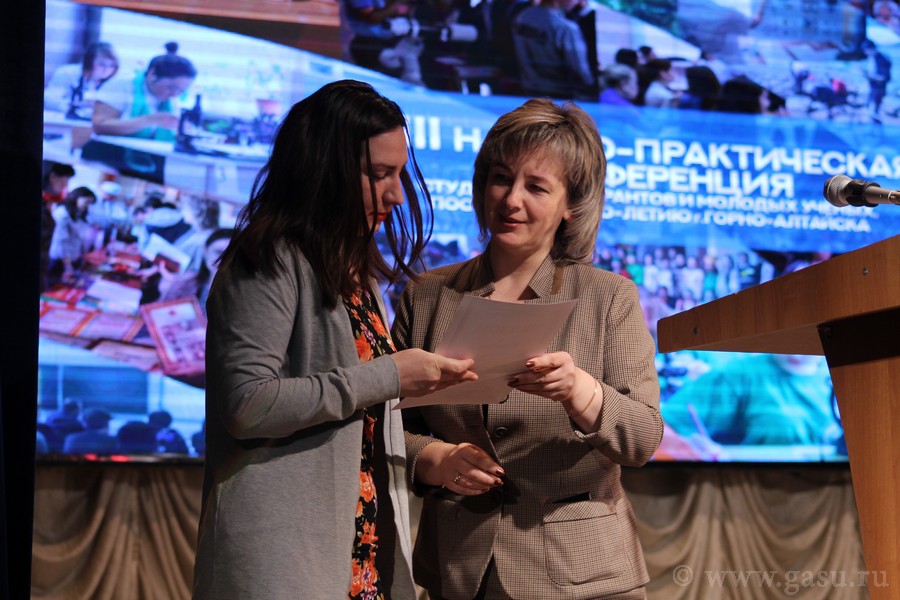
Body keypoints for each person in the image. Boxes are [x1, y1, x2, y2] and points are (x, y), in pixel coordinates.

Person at [192, 80, 478, 599]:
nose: (396, 194)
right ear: (323, 169)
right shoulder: (269, 259)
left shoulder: (354, 272)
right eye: (378, 174)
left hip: (355, 548)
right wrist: (390, 375)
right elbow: (247, 404)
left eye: (399, 174)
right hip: (283, 561)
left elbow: (356, 413)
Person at [393, 99, 663, 599]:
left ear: (571, 205)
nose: (511, 200)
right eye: (501, 178)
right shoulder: (426, 296)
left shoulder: (609, 297)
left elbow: (643, 438)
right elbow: (385, 428)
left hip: (582, 577)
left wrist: (580, 391)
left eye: (536, 187)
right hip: (459, 571)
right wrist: (435, 458)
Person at [93, 42, 197, 140]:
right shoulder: (121, 85)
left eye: (181, 91)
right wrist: (152, 119)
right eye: (171, 88)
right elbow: (99, 125)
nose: (175, 94)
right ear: (152, 74)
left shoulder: (170, 101)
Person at [510, 0, 596, 100]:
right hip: (559, 95)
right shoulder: (565, 28)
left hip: (527, 90)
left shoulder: (522, 16)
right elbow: (581, 71)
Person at [44, 41, 119, 119]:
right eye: (102, 64)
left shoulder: (113, 83)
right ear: (89, 62)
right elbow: (48, 101)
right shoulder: (67, 72)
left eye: (112, 65)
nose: (107, 69)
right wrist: (76, 105)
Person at [47, 186, 97, 287]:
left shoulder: (79, 213)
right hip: (60, 261)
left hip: (72, 258)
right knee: (54, 288)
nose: (88, 206)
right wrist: (68, 266)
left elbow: (79, 237)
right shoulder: (62, 214)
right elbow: (60, 242)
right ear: (76, 197)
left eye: (90, 203)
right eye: (86, 202)